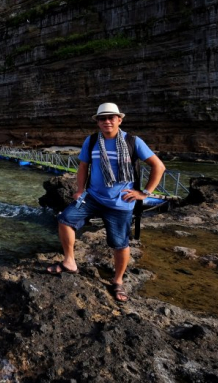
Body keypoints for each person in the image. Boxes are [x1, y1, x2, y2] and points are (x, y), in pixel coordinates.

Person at [48, 103, 166, 303]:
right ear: (98, 122)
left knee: (120, 244)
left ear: (120, 120)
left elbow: (158, 166)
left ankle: (118, 281)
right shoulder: (92, 140)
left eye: (111, 117)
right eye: (102, 118)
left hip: (121, 202)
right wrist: (79, 190)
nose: (107, 121)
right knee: (65, 219)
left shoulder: (133, 142)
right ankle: (69, 262)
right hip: (92, 197)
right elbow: (83, 165)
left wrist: (144, 193)